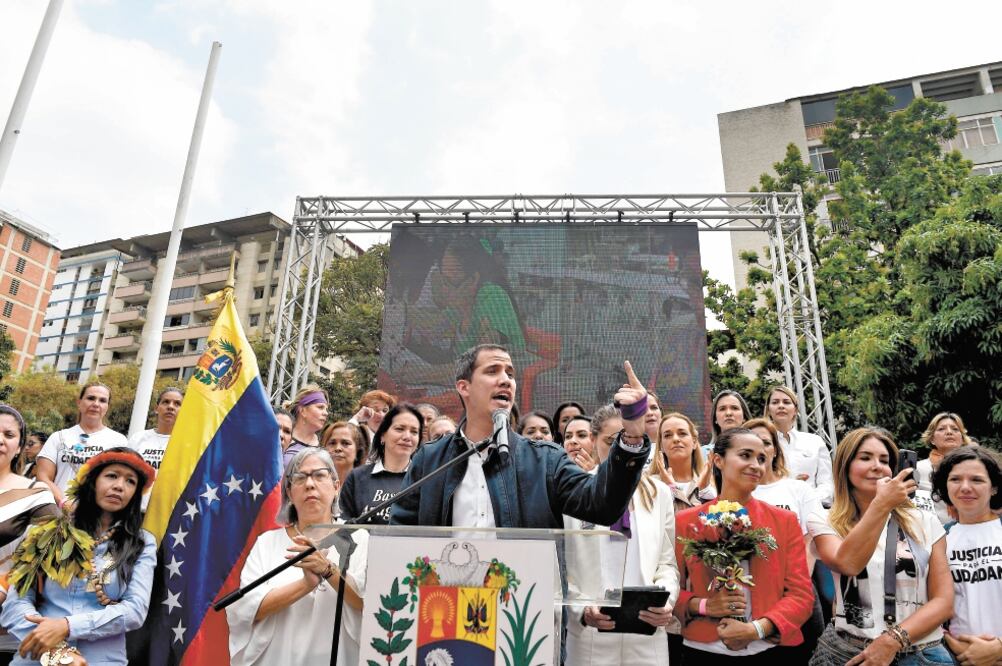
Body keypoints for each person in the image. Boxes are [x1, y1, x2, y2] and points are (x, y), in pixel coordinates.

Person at [391, 344, 651, 531]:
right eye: (492, 371)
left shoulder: (545, 460)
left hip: (521, 605)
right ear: (464, 387)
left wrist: (632, 436)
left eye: (511, 374)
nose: (506, 380)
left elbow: (601, 506)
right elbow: (401, 534)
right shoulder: (431, 458)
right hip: (444, 603)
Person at [808, 427, 954, 666]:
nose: (877, 466)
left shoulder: (924, 520)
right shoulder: (824, 518)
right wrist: (881, 504)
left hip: (921, 654)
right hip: (849, 652)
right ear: (845, 465)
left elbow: (943, 601)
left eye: (885, 460)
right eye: (865, 458)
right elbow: (848, 563)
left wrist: (892, 640)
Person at [1, 447, 157, 666]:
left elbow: (135, 610)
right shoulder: (49, 531)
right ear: (92, 482)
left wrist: (67, 625)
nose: (119, 486)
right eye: (111, 476)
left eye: (130, 481)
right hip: (38, 655)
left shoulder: (141, 543)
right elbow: (15, 602)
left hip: (101, 660)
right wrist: (57, 652)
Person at [674, 428, 813, 664]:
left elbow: (801, 595)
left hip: (768, 648)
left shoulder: (784, 521)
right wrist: (706, 606)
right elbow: (670, 589)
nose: (756, 465)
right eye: (745, 455)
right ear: (718, 460)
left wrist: (757, 629)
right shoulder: (686, 521)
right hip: (703, 649)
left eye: (761, 459)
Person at [565, 404, 680, 665]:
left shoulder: (660, 493)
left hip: (647, 634)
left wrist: (667, 601)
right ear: (593, 441)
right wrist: (581, 609)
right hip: (591, 636)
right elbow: (561, 567)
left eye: (629, 440)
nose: (621, 450)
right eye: (611, 441)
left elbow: (667, 564)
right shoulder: (574, 490)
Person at [227, 448, 363, 666]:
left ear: (336, 486)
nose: (310, 484)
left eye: (319, 475)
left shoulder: (359, 539)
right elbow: (249, 610)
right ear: (289, 492)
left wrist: (328, 570)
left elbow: (366, 603)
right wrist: (305, 584)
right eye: (300, 477)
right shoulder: (267, 542)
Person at [745, 417, 825, 661]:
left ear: (776, 450)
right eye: (751, 445)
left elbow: (812, 542)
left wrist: (794, 587)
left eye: (766, 443)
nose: (759, 449)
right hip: (751, 595)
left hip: (798, 590)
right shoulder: (734, 493)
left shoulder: (799, 490)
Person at [931, 446, 1002, 665]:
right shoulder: (937, 540)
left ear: (994, 488)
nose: (965, 487)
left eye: (977, 480)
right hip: (959, 657)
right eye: (955, 479)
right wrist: (956, 647)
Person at [0, 406, 58, 663]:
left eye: (9, 434)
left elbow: (58, 554)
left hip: (7, 622)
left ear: (20, 445)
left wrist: (6, 584)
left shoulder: (36, 492)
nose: (0, 439)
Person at [35, 383, 128, 505]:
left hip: (98, 516)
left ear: (107, 407)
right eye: (91, 398)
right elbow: (43, 477)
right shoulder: (59, 437)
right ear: (79, 402)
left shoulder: (119, 441)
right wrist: (63, 503)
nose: (96, 404)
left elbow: (122, 481)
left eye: (102, 400)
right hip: (57, 513)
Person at [339, 404, 422, 525]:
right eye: (399, 429)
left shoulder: (425, 479)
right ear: (383, 435)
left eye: (414, 432)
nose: (407, 437)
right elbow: (344, 526)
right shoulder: (357, 477)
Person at [763, 386, 834, 507]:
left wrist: (806, 497)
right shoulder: (760, 443)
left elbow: (827, 485)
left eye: (786, 402)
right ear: (768, 410)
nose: (781, 405)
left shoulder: (815, 442)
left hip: (812, 511)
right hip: (774, 510)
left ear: (795, 410)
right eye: (775, 402)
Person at [127, 387, 183, 511]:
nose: (171, 407)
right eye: (166, 402)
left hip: (168, 514)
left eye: (177, 404)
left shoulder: (187, 443)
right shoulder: (138, 438)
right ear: (156, 408)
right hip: (136, 511)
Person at [915, 412, 973, 524]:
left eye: (955, 429)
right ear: (932, 439)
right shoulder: (918, 469)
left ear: (962, 439)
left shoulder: (975, 469)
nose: (949, 432)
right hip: (929, 535)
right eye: (941, 429)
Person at [654, 412, 716, 513]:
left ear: (695, 442)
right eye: (668, 435)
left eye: (682, 433)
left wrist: (703, 489)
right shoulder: (650, 484)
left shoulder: (713, 484)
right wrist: (670, 488)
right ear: (661, 446)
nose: (675, 439)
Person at [282, 386, 329, 467]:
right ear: (303, 411)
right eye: (320, 407)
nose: (326, 413)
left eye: (326, 409)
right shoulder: (282, 439)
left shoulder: (325, 446)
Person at [321, 421, 368, 495]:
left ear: (358, 450)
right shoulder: (314, 484)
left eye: (345, 443)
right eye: (332, 443)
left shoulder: (369, 487)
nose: (338, 448)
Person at [702, 389, 752, 458]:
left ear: (744, 417)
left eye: (734, 408)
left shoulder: (757, 450)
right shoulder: (702, 454)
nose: (728, 413)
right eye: (722, 409)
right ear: (715, 418)